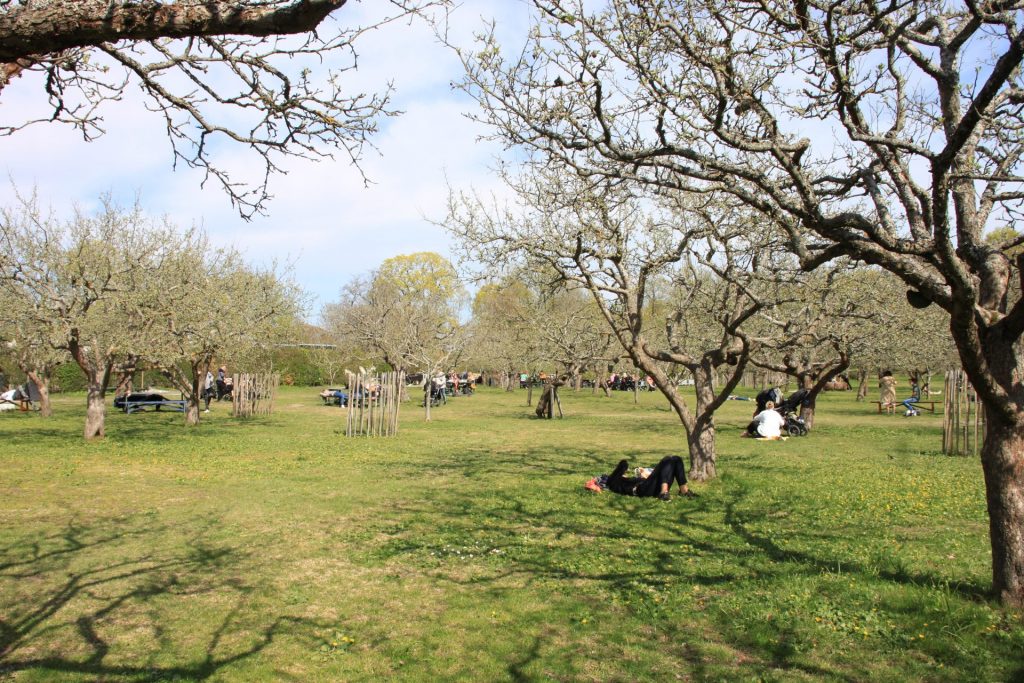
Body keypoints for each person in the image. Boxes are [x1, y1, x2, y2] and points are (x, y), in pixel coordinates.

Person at [606, 455, 696, 501]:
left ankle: (684, 490)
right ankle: (663, 492)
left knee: (676, 459)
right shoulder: (614, 482)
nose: (625, 473)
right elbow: (622, 465)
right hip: (642, 490)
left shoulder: (628, 479)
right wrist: (624, 467)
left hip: (651, 487)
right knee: (667, 460)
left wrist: (644, 474)